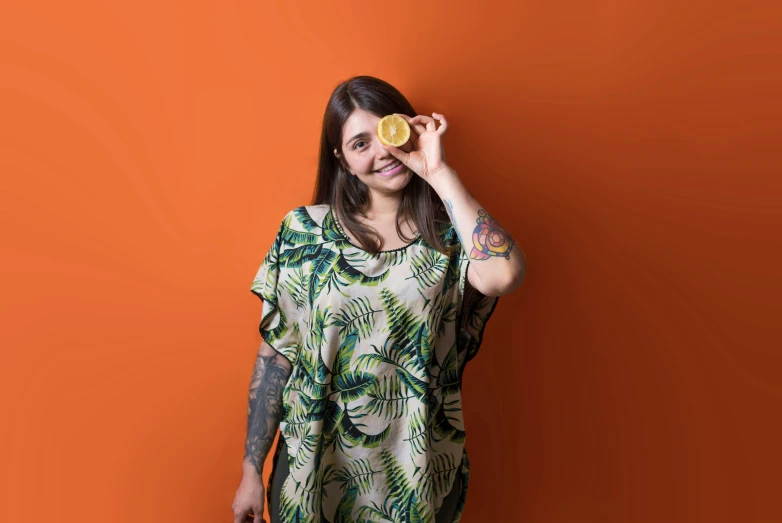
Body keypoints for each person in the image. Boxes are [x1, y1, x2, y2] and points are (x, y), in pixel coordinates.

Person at [232, 75, 526, 523]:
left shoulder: (452, 240)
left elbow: (504, 273)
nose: (381, 153)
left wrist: (440, 176)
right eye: (359, 144)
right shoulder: (304, 233)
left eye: (386, 132)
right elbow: (276, 358)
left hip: (416, 475)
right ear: (342, 160)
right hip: (313, 473)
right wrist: (251, 471)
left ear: (408, 128)